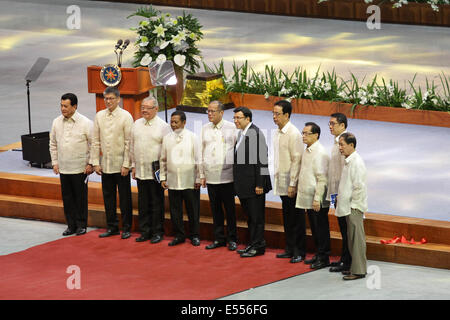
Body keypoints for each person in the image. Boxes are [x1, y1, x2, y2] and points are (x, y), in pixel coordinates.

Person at [91, 86, 134, 239]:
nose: (108, 102)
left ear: (118, 99)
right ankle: (112, 227)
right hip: (106, 165)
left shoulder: (126, 116)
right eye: (106, 99)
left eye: (111, 99)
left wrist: (126, 164)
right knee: (108, 198)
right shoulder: (99, 116)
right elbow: (95, 141)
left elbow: (129, 142)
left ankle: (127, 227)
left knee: (124, 199)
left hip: (121, 165)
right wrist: (95, 162)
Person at [50, 93, 93, 236]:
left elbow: (94, 145)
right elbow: (53, 144)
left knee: (80, 198)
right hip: (64, 168)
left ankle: (81, 225)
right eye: (61, 105)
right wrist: (55, 162)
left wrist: (91, 164)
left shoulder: (86, 123)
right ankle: (71, 225)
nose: (63, 109)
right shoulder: (56, 122)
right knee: (67, 199)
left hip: (80, 168)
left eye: (66, 106)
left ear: (74, 106)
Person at [130, 97, 171, 243]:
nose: (144, 110)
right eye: (143, 107)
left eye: (148, 108)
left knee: (156, 203)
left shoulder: (163, 126)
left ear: (156, 109)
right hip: (141, 171)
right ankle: (145, 231)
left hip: (156, 173)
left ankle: (157, 232)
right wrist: (133, 166)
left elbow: (167, 151)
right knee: (143, 203)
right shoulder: (136, 124)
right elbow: (132, 146)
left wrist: (165, 174)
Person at [233, 107, 272, 258]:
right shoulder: (241, 133)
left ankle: (259, 245)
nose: (236, 121)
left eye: (239, 118)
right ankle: (252, 243)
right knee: (250, 217)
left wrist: (260, 184)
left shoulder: (256, 134)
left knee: (257, 218)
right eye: (234, 118)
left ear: (248, 119)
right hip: (244, 184)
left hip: (255, 185)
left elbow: (262, 161)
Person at [160, 110, 201, 246]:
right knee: (175, 210)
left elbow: (198, 159)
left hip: (189, 180)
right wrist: (163, 177)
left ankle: (194, 235)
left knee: (192, 209)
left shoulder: (192, 137)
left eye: (176, 122)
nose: (173, 125)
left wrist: (198, 178)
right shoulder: (167, 138)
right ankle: (179, 235)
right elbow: (163, 159)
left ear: (184, 122)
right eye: (172, 122)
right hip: (173, 180)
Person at [201, 101, 238, 251]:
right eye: (208, 111)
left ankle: (232, 239)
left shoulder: (232, 127)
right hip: (211, 176)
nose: (210, 114)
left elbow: (237, 150)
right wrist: (201, 174)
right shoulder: (204, 128)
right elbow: (201, 152)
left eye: (213, 111)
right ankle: (219, 238)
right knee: (215, 209)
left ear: (221, 113)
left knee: (229, 210)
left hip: (227, 176)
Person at [272, 100, 305, 263]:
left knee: (296, 218)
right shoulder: (277, 133)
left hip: (292, 183)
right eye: (273, 113)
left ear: (287, 115)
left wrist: (293, 183)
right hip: (281, 180)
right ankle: (290, 247)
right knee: (287, 216)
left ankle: (299, 251)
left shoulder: (294, 134)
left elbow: (297, 160)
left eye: (277, 114)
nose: (274, 117)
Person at [296, 122, 331, 269]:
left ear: (316, 135)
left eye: (307, 133)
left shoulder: (320, 153)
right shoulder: (308, 150)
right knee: (315, 229)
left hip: (317, 198)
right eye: (302, 133)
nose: (303, 136)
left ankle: (324, 257)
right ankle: (318, 253)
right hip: (309, 197)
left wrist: (317, 199)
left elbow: (322, 178)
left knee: (321, 228)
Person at [336, 132, 368, 281]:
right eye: (339, 144)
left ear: (351, 145)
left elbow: (359, 187)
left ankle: (359, 270)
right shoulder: (349, 160)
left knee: (356, 241)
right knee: (351, 240)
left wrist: (355, 206)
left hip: (354, 207)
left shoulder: (357, 162)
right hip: (348, 206)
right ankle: (353, 268)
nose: (340, 148)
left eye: (342, 144)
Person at [326, 113, 352, 273]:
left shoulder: (344, 143)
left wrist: (341, 194)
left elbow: (345, 171)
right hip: (337, 192)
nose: (330, 126)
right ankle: (344, 258)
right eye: (329, 123)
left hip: (344, 194)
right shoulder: (336, 143)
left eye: (333, 123)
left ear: (342, 125)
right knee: (343, 229)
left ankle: (348, 261)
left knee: (347, 229)